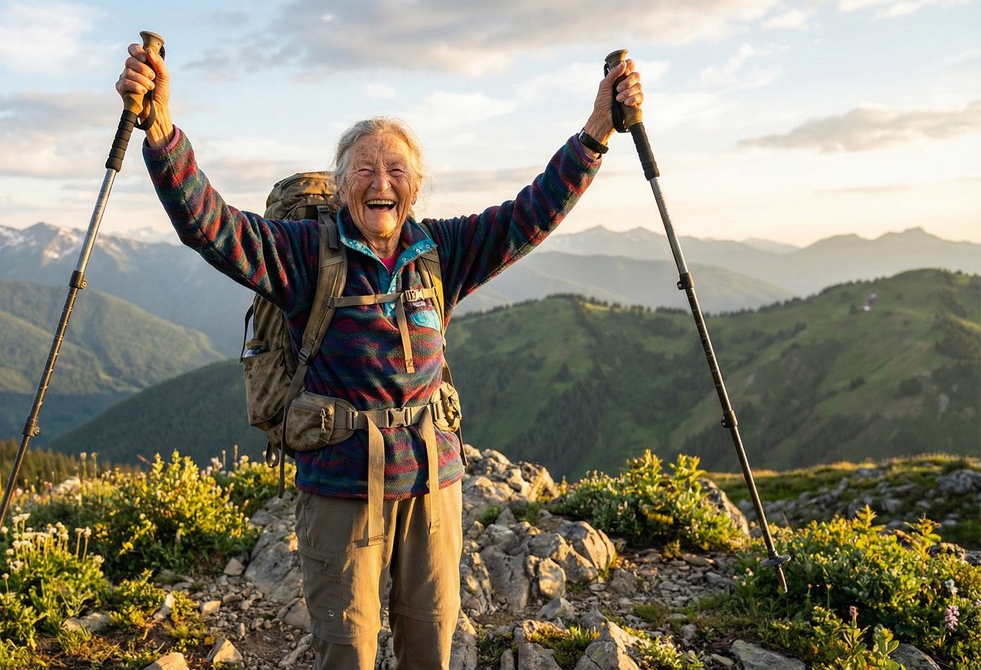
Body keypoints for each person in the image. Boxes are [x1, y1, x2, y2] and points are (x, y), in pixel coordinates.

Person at [117, 41, 642, 670]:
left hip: (432, 481)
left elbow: (532, 213)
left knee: (431, 643)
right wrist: (162, 131)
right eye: (363, 169)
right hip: (341, 487)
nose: (380, 182)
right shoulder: (303, 253)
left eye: (395, 170)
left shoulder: (442, 250)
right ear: (340, 187)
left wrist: (598, 130)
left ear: (415, 187)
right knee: (347, 651)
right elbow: (211, 225)